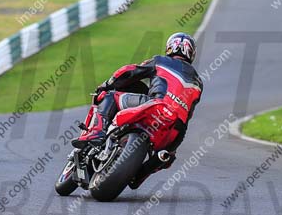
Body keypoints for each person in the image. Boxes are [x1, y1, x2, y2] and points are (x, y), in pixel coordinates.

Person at [74, 32, 203, 188]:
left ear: (170, 47)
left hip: (156, 105)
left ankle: (97, 132)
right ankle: (140, 175)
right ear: (191, 54)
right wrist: (172, 148)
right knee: (167, 156)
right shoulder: (198, 82)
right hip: (176, 128)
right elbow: (189, 113)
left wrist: (107, 84)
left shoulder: (160, 61)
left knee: (111, 97)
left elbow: (130, 71)